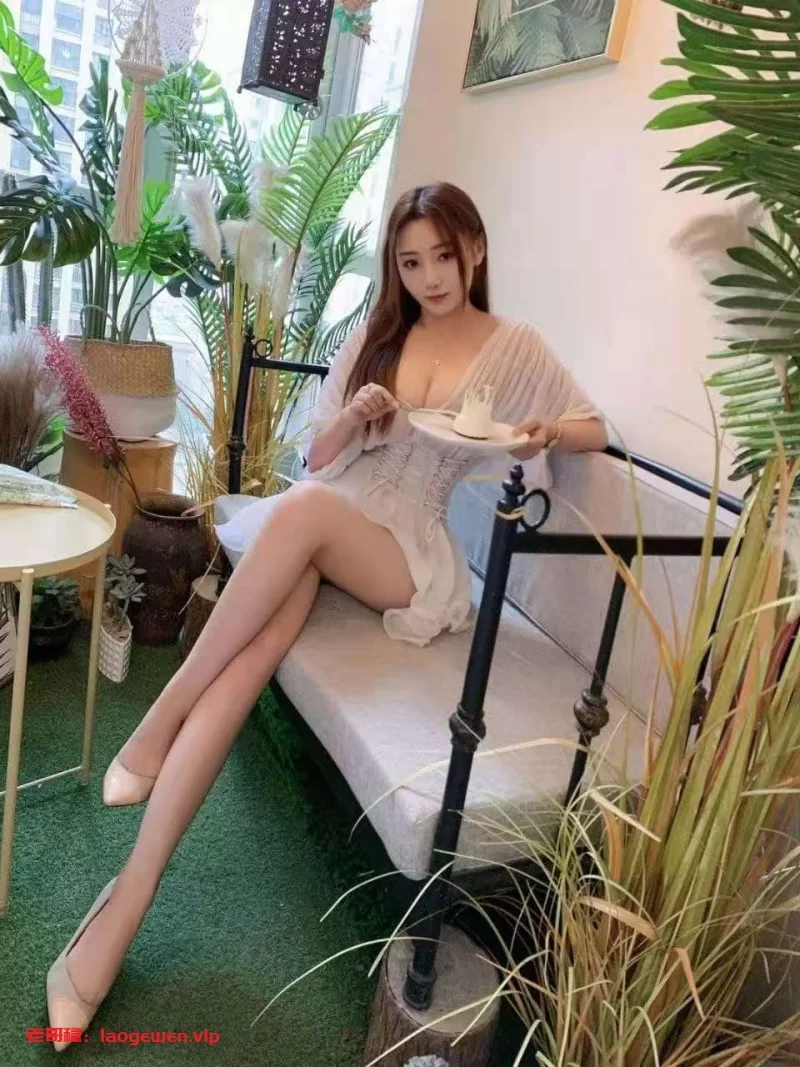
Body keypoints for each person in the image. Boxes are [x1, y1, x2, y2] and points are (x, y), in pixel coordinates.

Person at [45, 182, 607, 1049]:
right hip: (331, 522)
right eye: (410, 262)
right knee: (257, 645)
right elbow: (316, 455)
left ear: (476, 249)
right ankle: (120, 916)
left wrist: (544, 432)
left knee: (303, 516)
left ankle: (158, 719)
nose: (429, 277)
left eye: (443, 256)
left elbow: (591, 425)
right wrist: (352, 414)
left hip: (405, 556)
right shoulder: (381, 332)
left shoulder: (514, 344)